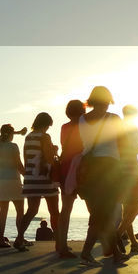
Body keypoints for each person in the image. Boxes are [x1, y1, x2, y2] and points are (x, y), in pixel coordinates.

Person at [75, 86, 127, 265]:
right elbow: (122, 143)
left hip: (89, 168)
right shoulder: (113, 118)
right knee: (102, 214)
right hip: (109, 167)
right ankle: (86, 252)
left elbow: (84, 144)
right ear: (107, 99)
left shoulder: (82, 119)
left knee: (102, 212)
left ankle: (115, 254)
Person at [15, 112, 61, 252]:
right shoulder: (45, 137)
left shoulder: (28, 137)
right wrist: (55, 152)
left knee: (32, 210)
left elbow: (26, 157)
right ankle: (59, 243)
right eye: (48, 126)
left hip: (31, 177)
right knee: (54, 211)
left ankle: (19, 238)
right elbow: (48, 158)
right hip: (45, 177)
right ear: (46, 125)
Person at [53, 99, 86, 259]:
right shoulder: (85, 125)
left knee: (65, 209)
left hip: (66, 168)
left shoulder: (64, 127)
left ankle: (62, 244)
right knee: (94, 208)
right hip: (82, 168)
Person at [117, 105, 138, 255]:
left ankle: (134, 243)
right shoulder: (133, 128)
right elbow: (135, 148)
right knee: (135, 209)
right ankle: (117, 235)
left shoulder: (117, 128)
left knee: (127, 212)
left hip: (119, 172)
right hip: (132, 171)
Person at [0, 123, 26, 249]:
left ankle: (1, 240)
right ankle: (20, 238)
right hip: (13, 179)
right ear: (10, 134)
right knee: (20, 211)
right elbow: (18, 164)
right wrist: (27, 175)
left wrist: (16, 132)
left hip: (0, 179)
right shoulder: (13, 147)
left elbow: (2, 137)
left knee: (3, 212)